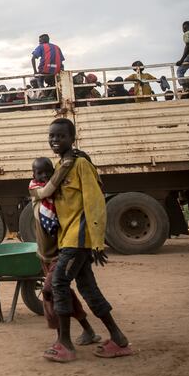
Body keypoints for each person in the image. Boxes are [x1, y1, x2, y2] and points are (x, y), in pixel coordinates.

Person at [44, 117, 131, 362]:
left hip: (79, 239)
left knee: (59, 283)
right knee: (87, 288)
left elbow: (95, 204)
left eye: (60, 136)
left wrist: (96, 241)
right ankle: (118, 339)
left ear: (72, 138)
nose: (55, 140)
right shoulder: (63, 165)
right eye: (52, 136)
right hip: (68, 239)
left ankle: (65, 344)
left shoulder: (81, 164)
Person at [29, 156, 100, 347]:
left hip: (59, 254)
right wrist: (63, 169)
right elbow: (47, 190)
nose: (43, 176)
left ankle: (62, 338)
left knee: (50, 291)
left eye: (47, 172)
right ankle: (88, 330)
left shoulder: (60, 196)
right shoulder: (35, 190)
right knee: (64, 294)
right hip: (44, 255)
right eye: (39, 173)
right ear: (33, 175)